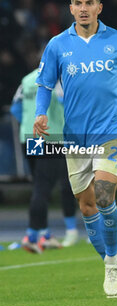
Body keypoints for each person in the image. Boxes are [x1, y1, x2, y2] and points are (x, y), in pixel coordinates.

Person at [33, 0, 117, 298]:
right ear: (70, 8)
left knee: (102, 194)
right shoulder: (58, 45)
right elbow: (44, 84)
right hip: (75, 137)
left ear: (99, 7)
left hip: (112, 132)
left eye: (89, 3)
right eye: (78, 3)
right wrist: (41, 113)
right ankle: (112, 262)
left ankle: (112, 266)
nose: (83, 8)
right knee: (86, 208)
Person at [11, 69, 79, 253]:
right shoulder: (56, 80)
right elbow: (68, 105)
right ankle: (32, 235)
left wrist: (28, 122)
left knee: (40, 185)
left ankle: (45, 233)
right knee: (44, 187)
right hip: (51, 137)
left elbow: (15, 108)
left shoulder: (26, 79)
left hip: (29, 137)